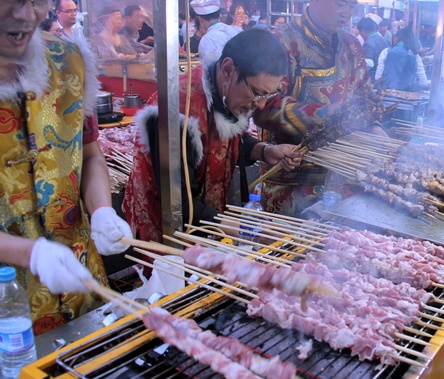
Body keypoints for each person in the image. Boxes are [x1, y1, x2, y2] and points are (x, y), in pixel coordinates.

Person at [0, 0, 132, 335]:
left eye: (36, 1)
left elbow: (88, 155)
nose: (26, 14)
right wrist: (29, 254)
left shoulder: (69, 61)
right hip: (10, 307)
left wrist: (103, 211)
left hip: (80, 274)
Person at [122, 29, 300, 244]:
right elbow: (178, 204)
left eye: (268, 95)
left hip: (206, 222)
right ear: (228, 69)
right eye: (257, 92)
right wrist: (250, 230)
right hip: (167, 232)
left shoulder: (224, 92)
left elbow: (224, 140)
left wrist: (264, 150)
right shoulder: (175, 110)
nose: (261, 104)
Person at [253, 0, 385, 216]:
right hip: (292, 177)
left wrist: (375, 126)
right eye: (341, 4)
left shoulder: (352, 45)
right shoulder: (281, 41)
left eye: (352, 6)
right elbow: (263, 104)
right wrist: (326, 113)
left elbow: (365, 96)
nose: (347, 13)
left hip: (345, 175)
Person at [376, 26, 429, 92]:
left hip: (387, 95)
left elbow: (378, 77)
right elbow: (423, 83)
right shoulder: (415, 56)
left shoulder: (386, 52)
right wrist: (415, 83)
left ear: (397, 38)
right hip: (408, 97)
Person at [193, 0, 242, 66]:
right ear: (219, 16)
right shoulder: (237, 30)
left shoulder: (207, 39)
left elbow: (207, 70)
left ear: (201, 20)